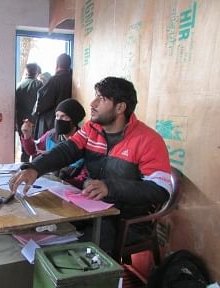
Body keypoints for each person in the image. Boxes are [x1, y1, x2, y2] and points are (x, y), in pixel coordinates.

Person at [10, 77, 173, 253]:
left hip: (125, 219)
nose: (93, 103)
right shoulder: (92, 129)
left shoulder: (148, 140)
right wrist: (35, 168)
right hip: (90, 208)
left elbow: (160, 190)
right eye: (95, 96)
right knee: (43, 222)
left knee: (76, 250)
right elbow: (66, 150)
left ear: (120, 107)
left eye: (101, 99)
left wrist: (110, 188)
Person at [20, 98, 86, 185]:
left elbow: (84, 177)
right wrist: (27, 134)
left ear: (74, 120)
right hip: (50, 185)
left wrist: (62, 183)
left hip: (72, 189)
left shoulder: (83, 141)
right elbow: (32, 150)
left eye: (64, 117)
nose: (58, 120)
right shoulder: (51, 135)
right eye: (57, 116)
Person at [33, 53, 73, 139]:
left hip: (51, 121)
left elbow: (42, 103)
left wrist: (35, 112)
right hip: (68, 120)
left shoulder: (55, 79)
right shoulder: (72, 78)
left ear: (57, 64)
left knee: (48, 145)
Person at [15, 63, 43, 162]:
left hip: (21, 121)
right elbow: (41, 102)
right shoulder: (39, 84)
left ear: (26, 72)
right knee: (35, 147)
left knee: (24, 148)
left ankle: (23, 169)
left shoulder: (18, 85)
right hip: (34, 121)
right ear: (36, 72)